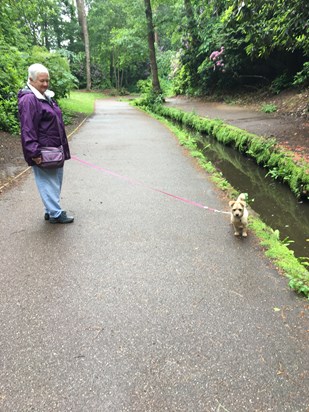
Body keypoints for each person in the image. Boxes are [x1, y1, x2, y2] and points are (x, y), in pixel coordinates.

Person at [18, 63, 74, 224]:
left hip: (54, 148)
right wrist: (34, 153)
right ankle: (56, 214)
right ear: (31, 79)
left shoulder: (44, 96)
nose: (45, 84)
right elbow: (28, 128)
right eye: (42, 81)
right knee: (48, 181)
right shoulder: (29, 99)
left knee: (54, 180)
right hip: (43, 150)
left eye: (47, 80)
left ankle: (50, 210)